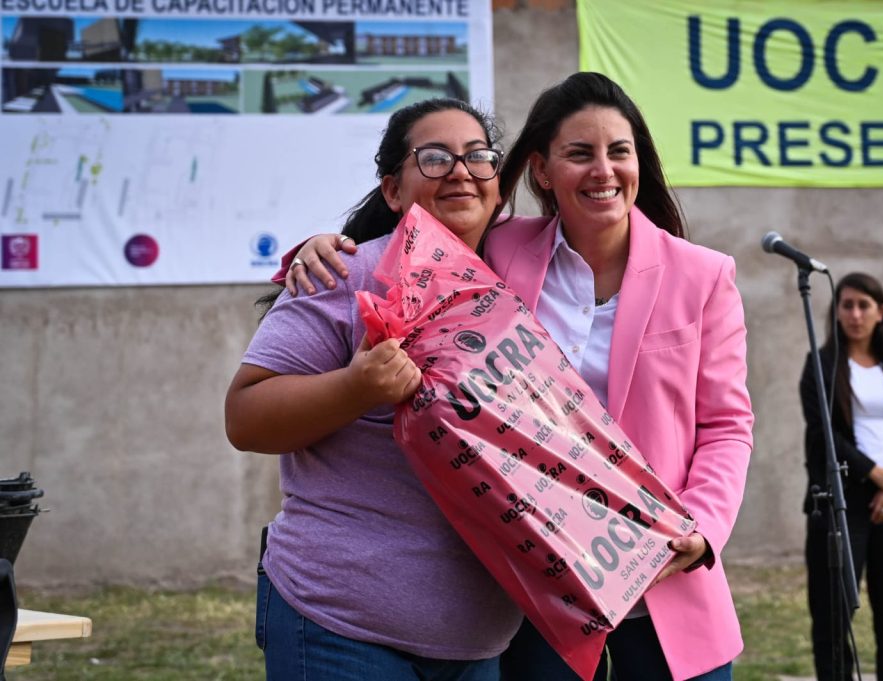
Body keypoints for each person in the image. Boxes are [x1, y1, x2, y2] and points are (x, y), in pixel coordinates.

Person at [281, 72, 754, 681]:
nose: (603, 171)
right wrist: (323, 249)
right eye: (579, 154)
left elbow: (727, 426)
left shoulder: (705, 276)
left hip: (668, 586)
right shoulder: (498, 254)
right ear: (540, 170)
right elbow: (412, 245)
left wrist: (701, 528)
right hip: (536, 600)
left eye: (619, 151)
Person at [224, 98, 523, 681]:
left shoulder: (519, 281)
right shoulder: (347, 274)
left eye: (478, 157)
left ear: (499, 185)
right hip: (341, 625)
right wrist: (355, 389)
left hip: (479, 643)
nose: (460, 171)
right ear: (393, 190)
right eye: (434, 158)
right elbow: (245, 416)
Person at [799, 272, 883, 681]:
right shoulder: (822, 365)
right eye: (846, 305)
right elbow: (823, 435)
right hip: (841, 505)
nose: (854, 314)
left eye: (863, 305)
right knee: (833, 623)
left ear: (880, 312)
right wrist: (876, 477)